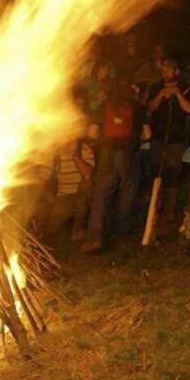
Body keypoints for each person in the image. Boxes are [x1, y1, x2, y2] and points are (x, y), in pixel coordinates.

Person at [82, 83, 139, 253]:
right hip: (128, 155)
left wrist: (97, 142)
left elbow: (92, 132)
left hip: (107, 154)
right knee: (127, 192)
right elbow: (147, 134)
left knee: (100, 195)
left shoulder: (104, 106)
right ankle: (120, 231)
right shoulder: (136, 107)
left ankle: (95, 238)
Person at [146, 60, 190, 226]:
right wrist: (161, 94)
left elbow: (189, 109)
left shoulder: (186, 87)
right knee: (156, 172)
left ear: (176, 72)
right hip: (158, 136)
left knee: (173, 174)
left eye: (168, 70)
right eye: (163, 70)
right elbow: (150, 108)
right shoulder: (155, 87)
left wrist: (177, 94)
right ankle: (153, 210)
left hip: (176, 138)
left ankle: (169, 212)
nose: (165, 72)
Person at [44, 123, 98, 243]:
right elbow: (45, 176)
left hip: (81, 194)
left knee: (86, 186)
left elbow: (88, 175)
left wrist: (75, 156)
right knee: (52, 229)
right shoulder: (57, 153)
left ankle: (78, 230)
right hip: (64, 195)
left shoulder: (85, 150)